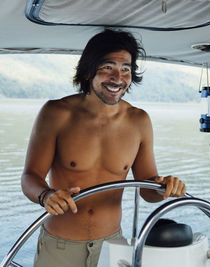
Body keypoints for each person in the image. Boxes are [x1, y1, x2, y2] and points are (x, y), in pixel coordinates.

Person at [21, 29, 186, 267]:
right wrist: (46, 195)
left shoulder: (139, 121)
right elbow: (30, 177)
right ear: (88, 70)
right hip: (60, 246)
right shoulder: (56, 113)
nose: (118, 78)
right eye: (108, 67)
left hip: (112, 245)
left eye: (126, 69)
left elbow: (147, 189)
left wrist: (165, 186)